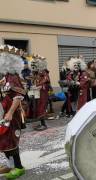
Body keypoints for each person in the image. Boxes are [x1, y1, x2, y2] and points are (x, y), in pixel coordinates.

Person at [0, 45, 26, 179]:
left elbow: (19, 95)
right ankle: (10, 165)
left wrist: (10, 113)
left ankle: (19, 167)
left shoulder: (13, 77)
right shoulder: (6, 77)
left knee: (10, 140)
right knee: (3, 140)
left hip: (12, 115)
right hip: (4, 114)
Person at [28, 55, 50, 131]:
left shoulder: (44, 73)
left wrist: (39, 86)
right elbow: (34, 80)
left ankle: (44, 124)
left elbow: (46, 82)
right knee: (38, 108)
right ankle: (41, 123)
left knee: (41, 108)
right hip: (37, 93)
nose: (33, 68)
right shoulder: (35, 73)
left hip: (43, 93)